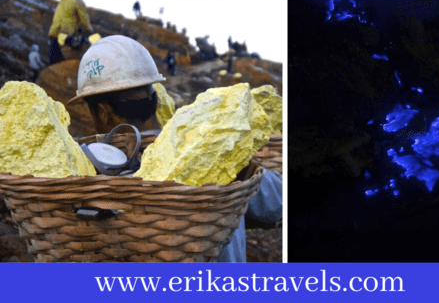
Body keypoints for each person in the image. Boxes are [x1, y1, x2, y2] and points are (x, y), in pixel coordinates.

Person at [69, 34, 282, 262]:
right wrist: (235, 164)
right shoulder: (209, 150)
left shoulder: (90, 179)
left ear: (102, 112)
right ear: (155, 99)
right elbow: (277, 203)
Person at [48, 0, 93, 65]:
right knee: (77, 51)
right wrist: (90, 30)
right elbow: (84, 18)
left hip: (54, 32)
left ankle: (51, 73)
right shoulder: (77, 0)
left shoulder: (62, 1)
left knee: (54, 58)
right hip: (66, 32)